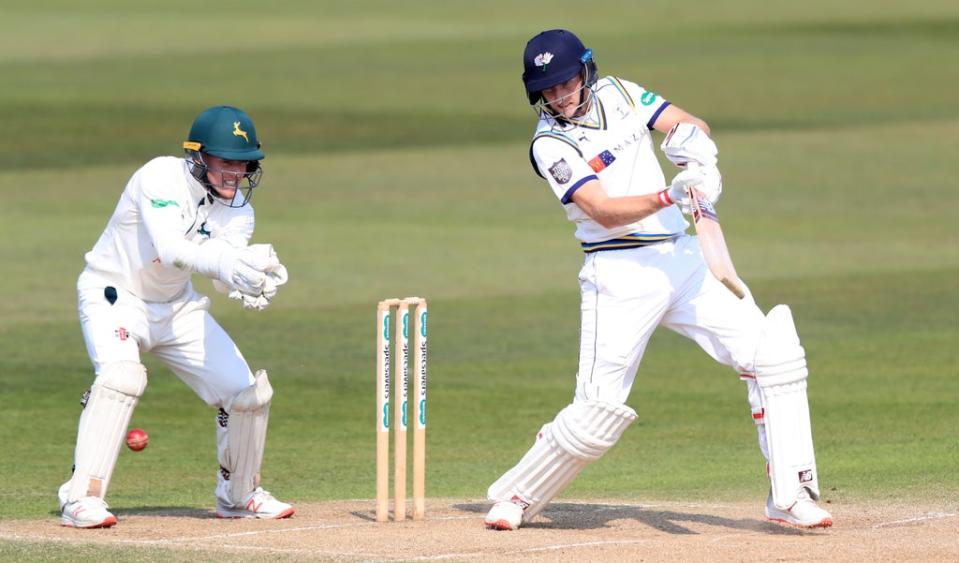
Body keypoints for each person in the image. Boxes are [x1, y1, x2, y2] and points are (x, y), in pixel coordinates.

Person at [483, 29, 833, 531]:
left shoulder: (621, 91)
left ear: (585, 70)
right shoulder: (550, 144)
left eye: (565, 82)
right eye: (548, 89)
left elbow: (687, 124)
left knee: (772, 356)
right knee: (598, 410)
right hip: (619, 272)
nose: (559, 95)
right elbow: (601, 211)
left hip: (686, 261)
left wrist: (698, 158)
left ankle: (790, 495)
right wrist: (669, 196)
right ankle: (518, 494)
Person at [58, 105, 295, 528]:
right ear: (198, 156)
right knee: (122, 378)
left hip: (177, 306)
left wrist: (249, 279)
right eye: (225, 161)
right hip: (115, 294)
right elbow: (171, 248)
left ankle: (238, 495)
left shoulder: (240, 209)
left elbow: (221, 275)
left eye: (244, 164)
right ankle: (81, 499)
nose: (235, 173)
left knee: (247, 394)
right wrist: (227, 265)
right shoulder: (159, 177)